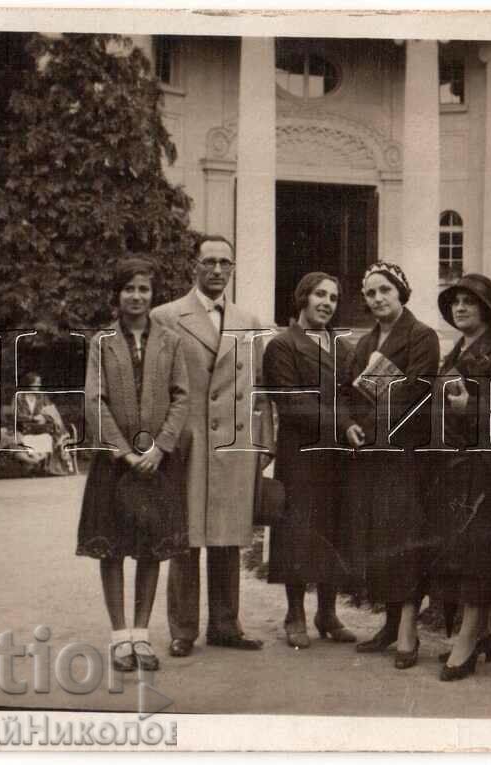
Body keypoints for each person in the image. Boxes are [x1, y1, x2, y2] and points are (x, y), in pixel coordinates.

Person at [152, 235, 275, 658]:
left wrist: (263, 443)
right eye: (209, 262)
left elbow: (260, 390)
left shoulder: (248, 319)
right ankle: (182, 629)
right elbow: (155, 387)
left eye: (225, 262)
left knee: (227, 537)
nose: (218, 270)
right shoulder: (166, 316)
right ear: (195, 267)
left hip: (234, 444)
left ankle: (225, 625)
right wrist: (160, 443)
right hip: (188, 441)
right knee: (185, 537)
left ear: (233, 268)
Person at [76, 257, 190, 672]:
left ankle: (142, 636)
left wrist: (160, 448)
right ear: (117, 295)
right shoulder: (102, 342)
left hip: (157, 462)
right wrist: (124, 452)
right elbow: (95, 399)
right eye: (129, 289)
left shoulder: (170, 340)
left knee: (150, 549)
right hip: (116, 463)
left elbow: (181, 397)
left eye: (143, 289)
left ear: (152, 294)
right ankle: (120, 637)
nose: (136, 297)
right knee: (112, 549)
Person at [430, 273, 491, 681]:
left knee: (476, 556)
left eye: (469, 301)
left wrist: (471, 407)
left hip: (487, 472)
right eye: (454, 302)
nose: (460, 308)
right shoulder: (453, 354)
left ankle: (467, 642)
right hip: (454, 469)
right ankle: (481, 633)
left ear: (486, 310)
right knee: (460, 554)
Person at [341, 261, 440, 669]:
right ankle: (388, 623)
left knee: (404, 538)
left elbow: (414, 393)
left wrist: (367, 418)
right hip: (370, 455)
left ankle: (408, 631)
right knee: (380, 538)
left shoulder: (421, 336)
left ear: (401, 292)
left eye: (385, 290)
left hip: (404, 455)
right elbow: (347, 392)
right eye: (371, 293)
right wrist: (348, 425)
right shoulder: (364, 344)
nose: (378, 298)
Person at [262, 272, 357, 649]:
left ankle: (328, 613)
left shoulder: (343, 347)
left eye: (333, 298)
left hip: (338, 454)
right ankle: (295, 614)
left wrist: (357, 419)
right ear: (304, 297)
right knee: (297, 531)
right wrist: (345, 421)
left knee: (333, 528)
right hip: (300, 452)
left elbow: (355, 392)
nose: (327, 303)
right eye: (320, 294)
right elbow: (291, 402)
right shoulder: (282, 345)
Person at [15, 371, 73, 475]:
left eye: (39, 383)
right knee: (29, 439)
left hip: (41, 428)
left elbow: (51, 411)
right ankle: (36, 465)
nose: (39, 385)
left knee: (49, 437)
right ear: (28, 384)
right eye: (36, 383)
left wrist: (44, 417)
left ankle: (47, 467)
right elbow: (17, 415)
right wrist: (32, 418)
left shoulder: (42, 397)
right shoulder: (19, 397)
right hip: (25, 429)